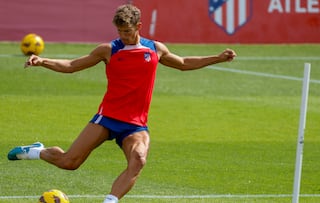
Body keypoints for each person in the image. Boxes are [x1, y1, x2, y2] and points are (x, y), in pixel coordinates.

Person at [7, 4, 236, 203]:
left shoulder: (154, 48)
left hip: (135, 125)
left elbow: (184, 63)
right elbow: (72, 66)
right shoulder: (109, 50)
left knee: (139, 159)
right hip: (107, 118)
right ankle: (36, 152)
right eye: (119, 31)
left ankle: (110, 200)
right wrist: (42, 61)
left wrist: (217, 57)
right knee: (69, 162)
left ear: (139, 26)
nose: (123, 36)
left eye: (127, 31)